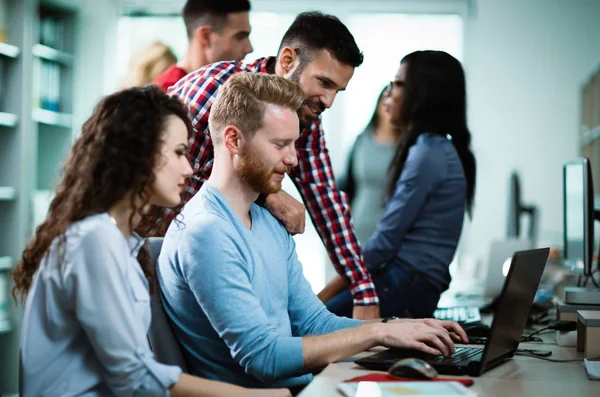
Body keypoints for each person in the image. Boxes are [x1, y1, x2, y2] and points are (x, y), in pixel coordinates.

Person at [157, 72, 468, 392]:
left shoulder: (266, 222)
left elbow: (315, 324)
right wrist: (377, 333)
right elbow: (263, 357)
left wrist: (399, 328)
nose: (292, 159)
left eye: (294, 145)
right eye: (280, 145)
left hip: (306, 388)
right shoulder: (207, 232)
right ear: (234, 140)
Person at [12, 86, 290, 397]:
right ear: (138, 154)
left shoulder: (122, 243)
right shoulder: (95, 240)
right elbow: (135, 377)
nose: (190, 168)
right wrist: (256, 396)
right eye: (179, 153)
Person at [169, 11, 380, 319]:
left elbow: (325, 199)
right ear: (287, 60)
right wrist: (268, 195)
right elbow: (176, 184)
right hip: (155, 244)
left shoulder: (303, 113)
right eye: (324, 82)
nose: (329, 101)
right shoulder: (214, 91)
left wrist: (364, 290)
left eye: (338, 90)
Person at [324, 50, 477, 319]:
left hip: (405, 281)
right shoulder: (434, 148)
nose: (390, 93)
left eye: (398, 84)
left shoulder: (427, 153)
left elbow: (384, 243)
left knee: (311, 326)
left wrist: (322, 296)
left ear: (423, 94)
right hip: (411, 281)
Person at [338, 86, 402, 244]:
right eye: (386, 100)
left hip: (392, 233)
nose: (390, 106)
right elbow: (347, 185)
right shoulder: (361, 141)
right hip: (358, 226)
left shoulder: (407, 147)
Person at [153, 0, 253, 92]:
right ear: (205, 36)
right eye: (240, 37)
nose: (249, 48)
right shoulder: (166, 96)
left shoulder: (219, 87)